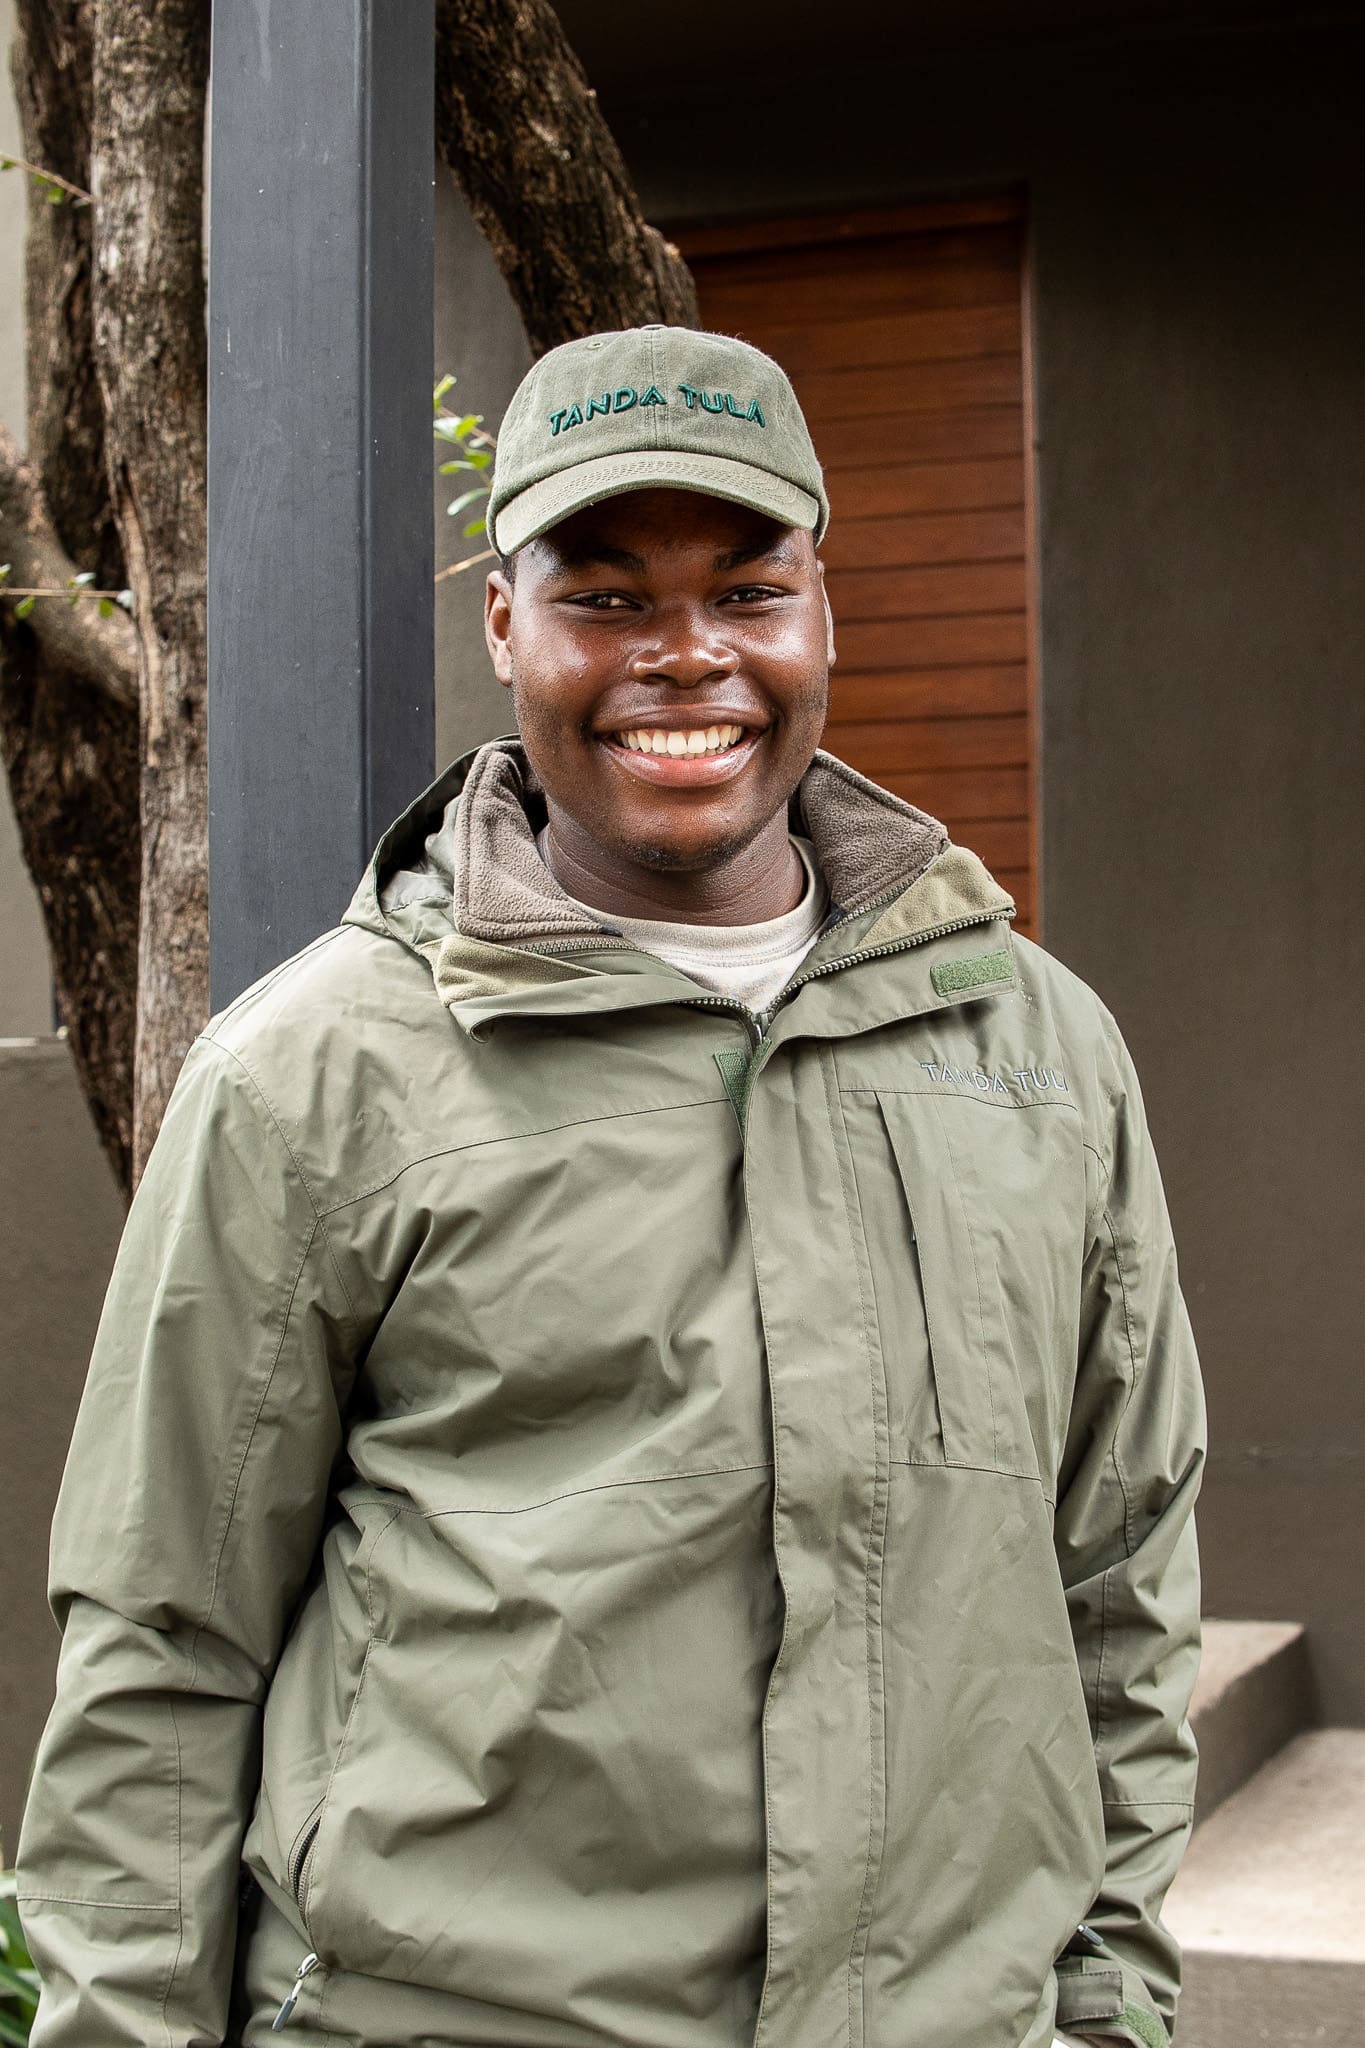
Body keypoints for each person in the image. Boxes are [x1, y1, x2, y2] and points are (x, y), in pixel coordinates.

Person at [16, 326, 1204, 2048]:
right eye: (606, 599)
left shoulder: (1036, 1051)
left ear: (821, 608)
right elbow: (160, 1644)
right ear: (504, 623)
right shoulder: (316, 1075)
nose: (688, 659)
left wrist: (1104, 2003)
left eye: (744, 590)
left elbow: (1118, 1576)